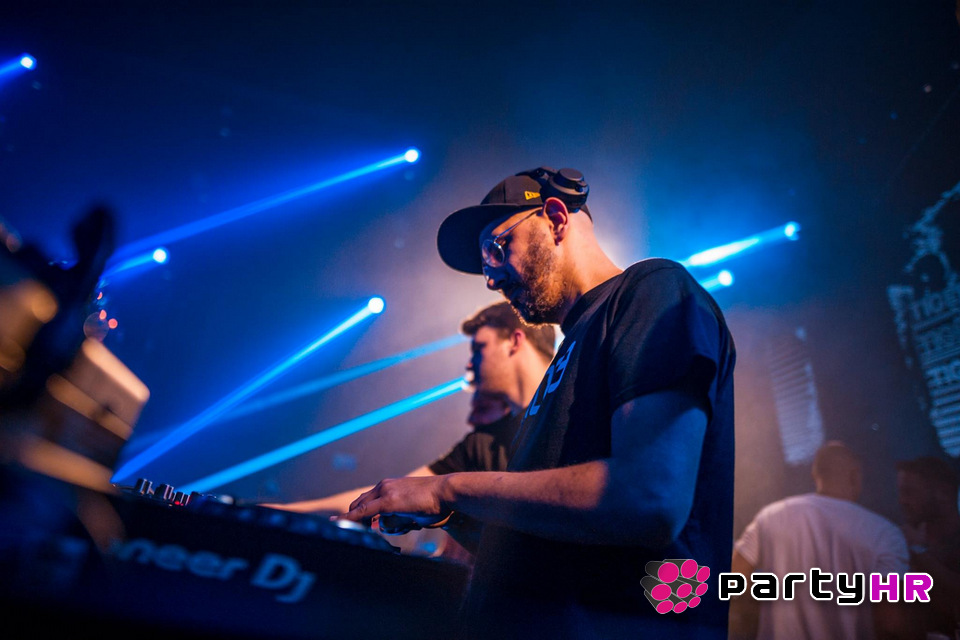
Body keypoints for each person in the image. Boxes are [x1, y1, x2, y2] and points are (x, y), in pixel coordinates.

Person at [338, 166, 737, 639]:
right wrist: (449, 516)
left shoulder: (650, 289)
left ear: (556, 217)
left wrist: (449, 489)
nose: (490, 279)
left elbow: (649, 496)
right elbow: (551, 545)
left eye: (496, 248)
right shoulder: (568, 355)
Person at [264, 301, 554, 559]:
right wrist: (281, 513)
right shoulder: (483, 443)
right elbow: (388, 495)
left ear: (514, 341)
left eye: (479, 348)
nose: (469, 363)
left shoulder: (569, 407)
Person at [729, 441, 911, 640]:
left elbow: (733, 577)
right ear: (855, 476)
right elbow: (889, 622)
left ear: (815, 475)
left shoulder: (771, 517)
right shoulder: (884, 534)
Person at [896, 455, 960, 638]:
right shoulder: (900, 543)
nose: (902, 501)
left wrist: (919, 552)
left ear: (944, 493)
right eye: (900, 492)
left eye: (909, 492)